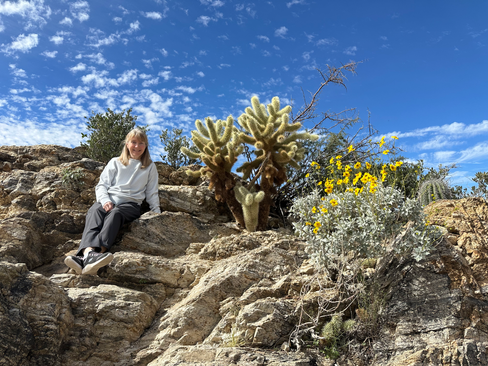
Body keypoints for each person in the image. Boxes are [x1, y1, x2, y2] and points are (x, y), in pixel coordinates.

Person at [65, 128, 161, 275]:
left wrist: (156, 212)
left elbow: (151, 192)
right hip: (108, 200)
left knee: (115, 213)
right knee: (95, 210)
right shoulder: (115, 162)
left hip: (131, 204)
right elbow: (102, 185)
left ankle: (98, 252)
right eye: (133, 142)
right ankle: (87, 254)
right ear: (127, 144)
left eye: (141, 143)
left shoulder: (149, 167)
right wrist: (104, 201)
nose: (137, 146)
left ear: (146, 145)